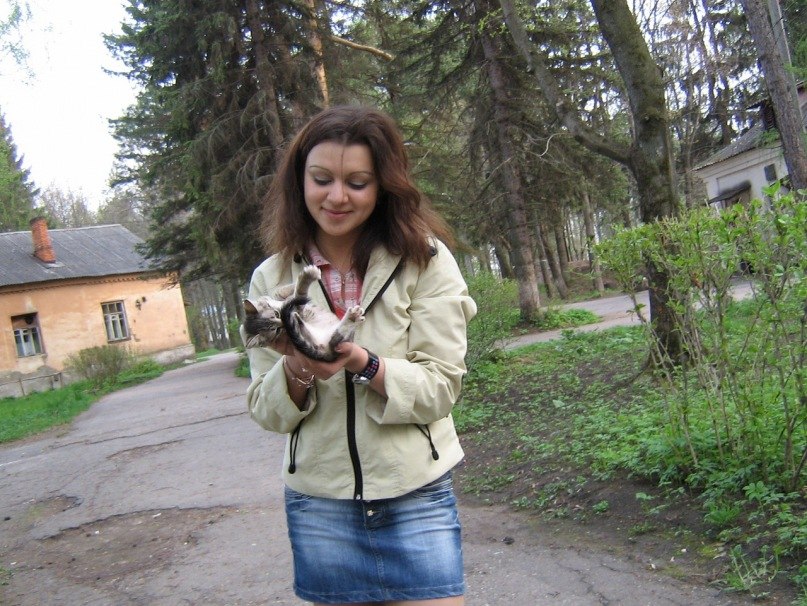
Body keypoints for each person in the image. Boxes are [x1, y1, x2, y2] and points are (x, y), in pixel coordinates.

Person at [244, 105, 477, 606]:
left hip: (415, 493)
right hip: (320, 507)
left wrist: (363, 363)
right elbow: (266, 410)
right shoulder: (270, 277)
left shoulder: (424, 260)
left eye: (357, 182)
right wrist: (298, 366)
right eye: (321, 179)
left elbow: (441, 387)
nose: (336, 196)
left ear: (383, 186)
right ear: (299, 182)